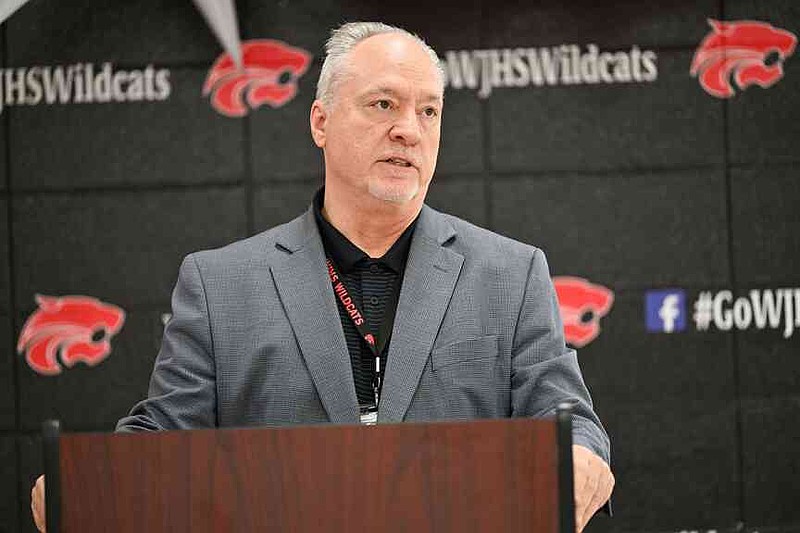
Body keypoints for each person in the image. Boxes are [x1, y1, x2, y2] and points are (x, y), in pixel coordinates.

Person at [32, 21, 614, 531]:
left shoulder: (510, 274)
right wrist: (86, 481)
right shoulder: (219, 284)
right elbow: (164, 438)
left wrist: (582, 456)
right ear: (321, 121)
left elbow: (567, 416)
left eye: (428, 110)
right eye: (383, 104)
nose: (409, 130)